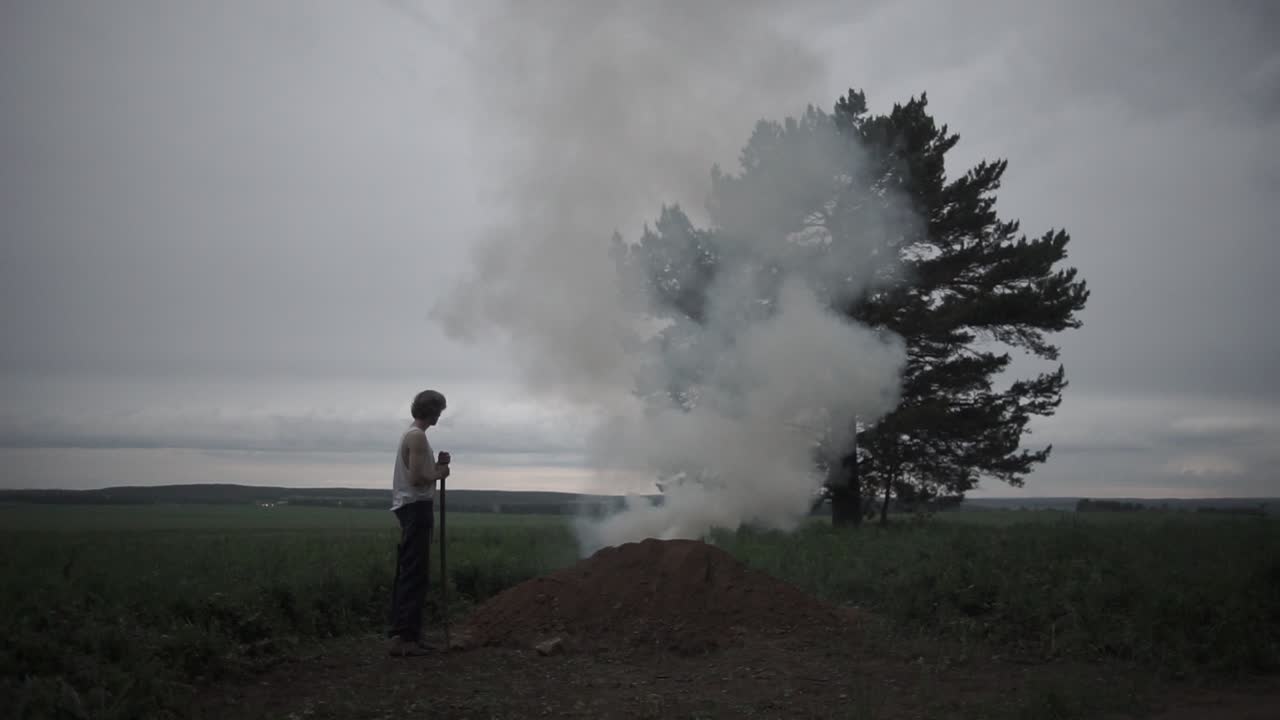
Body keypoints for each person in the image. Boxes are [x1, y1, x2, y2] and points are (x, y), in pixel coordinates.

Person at [387, 389, 452, 657]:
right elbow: (417, 478)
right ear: (431, 410)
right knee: (414, 572)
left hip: (413, 508)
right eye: (439, 411)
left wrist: (436, 466)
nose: (439, 416)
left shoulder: (414, 436)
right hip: (416, 508)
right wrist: (440, 472)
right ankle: (405, 639)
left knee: (414, 570)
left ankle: (410, 634)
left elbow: (420, 471)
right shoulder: (417, 437)